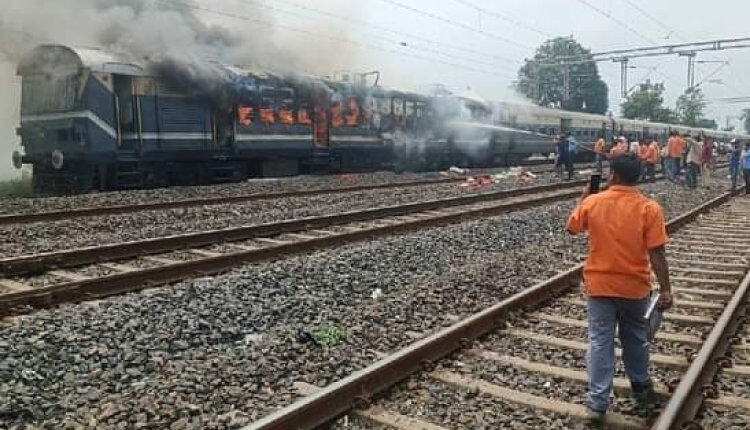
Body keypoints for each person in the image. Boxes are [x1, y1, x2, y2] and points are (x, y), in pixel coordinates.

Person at [566, 154, 673, 424]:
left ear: (612, 174)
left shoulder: (594, 202)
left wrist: (584, 197)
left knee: (600, 341)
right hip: (634, 287)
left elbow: (572, 227)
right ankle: (641, 387)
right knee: (635, 338)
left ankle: (598, 402)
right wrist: (666, 288)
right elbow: (657, 252)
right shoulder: (649, 208)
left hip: (599, 286)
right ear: (639, 176)